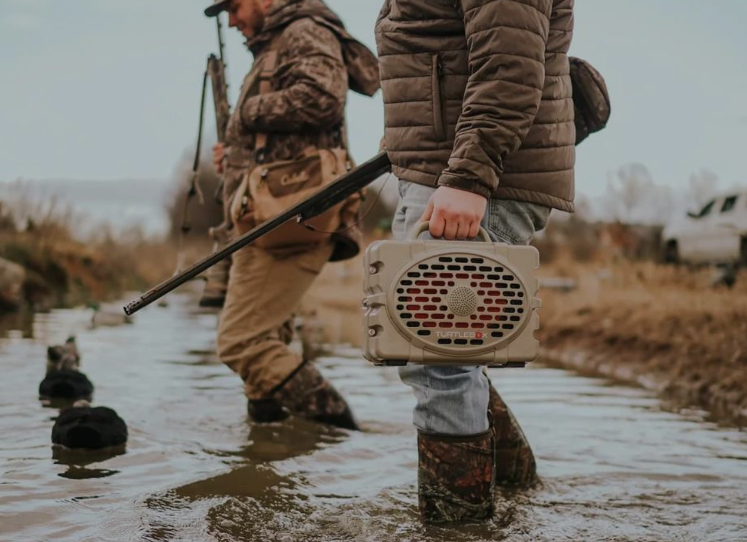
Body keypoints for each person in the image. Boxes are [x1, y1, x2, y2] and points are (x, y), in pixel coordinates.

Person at [375, 0, 576, 523]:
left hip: (475, 176)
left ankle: (459, 528)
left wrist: (468, 175)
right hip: (446, 167)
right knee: (445, 349)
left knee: (438, 357)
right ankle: (515, 492)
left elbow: (509, 59)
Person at [204, 0, 379, 429]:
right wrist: (239, 151)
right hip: (265, 219)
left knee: (240, 343)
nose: (232, 20)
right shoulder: (277, 43)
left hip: (287, 217)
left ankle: (340, 435)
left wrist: (243, 117)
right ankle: (271, 457)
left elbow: (323, 98)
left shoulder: (304, 30)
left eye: (235, 7)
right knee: (265, 343)